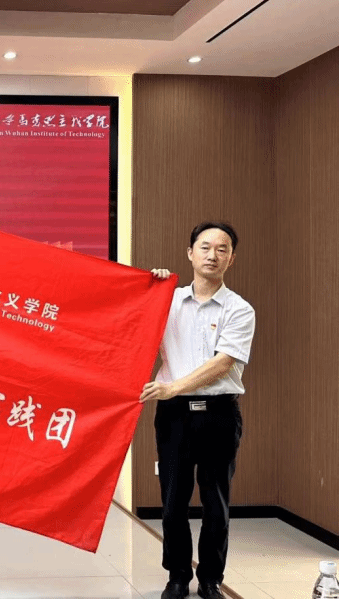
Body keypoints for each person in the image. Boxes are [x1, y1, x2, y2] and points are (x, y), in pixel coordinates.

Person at [141, 222, 255, 600]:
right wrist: (150, 287)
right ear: (190, 253)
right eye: (205, 247)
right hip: (174, 416)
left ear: (231, 259)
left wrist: (173, 387)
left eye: (222, 249)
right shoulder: (167, 300)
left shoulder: (240, 309)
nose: (212, 255)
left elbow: (223, 363)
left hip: (219, 414)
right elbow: (134, 323)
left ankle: (210, 579)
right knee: (173, 500)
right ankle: (177, 576)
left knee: (215, 502)